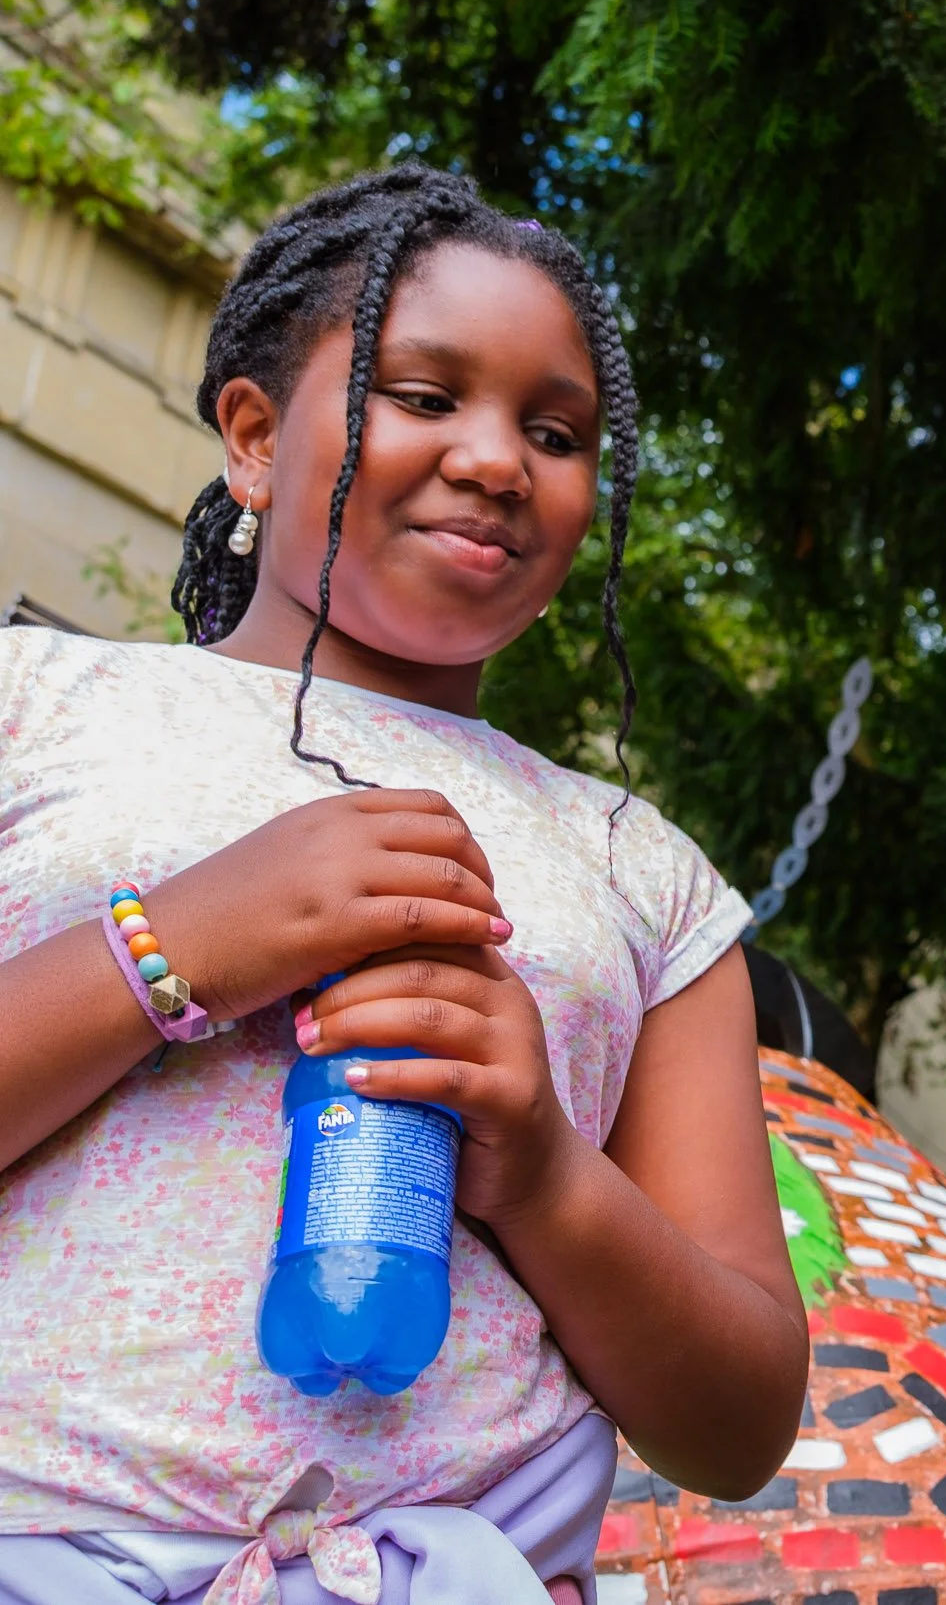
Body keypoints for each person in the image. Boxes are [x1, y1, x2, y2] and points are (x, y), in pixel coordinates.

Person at [0, 166, 808, 1604]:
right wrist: (165, 948)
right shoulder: (36, 702)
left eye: (554, 431)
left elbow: (740, 1419)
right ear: (252, 437)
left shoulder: (644, 875)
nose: (498, 458)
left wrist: (547, 1169)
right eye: (423, 395)